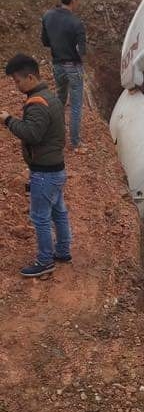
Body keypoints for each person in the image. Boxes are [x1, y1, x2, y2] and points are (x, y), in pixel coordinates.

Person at [0, 54, 72, 277]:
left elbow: (32, 134)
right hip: (56, 168)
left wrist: (8, 120)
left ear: (30, 77)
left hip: (44, 173)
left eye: (17, 81)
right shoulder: (50, 97)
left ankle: (45, 261)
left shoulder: (38, 103)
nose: (16, 85)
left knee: (40, 217)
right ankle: (62, 251)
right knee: (58, 212)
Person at [42, 0, 86, 152]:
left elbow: (45, 42)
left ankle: (56, 137)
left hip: (57, 65)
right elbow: (80, 51)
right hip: (73, 67)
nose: (78, 3)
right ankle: (75, 143)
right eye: (78, 0)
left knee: (60, 99)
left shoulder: (47, 16)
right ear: (74, 0)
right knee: (75, 106)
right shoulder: (76, 23)